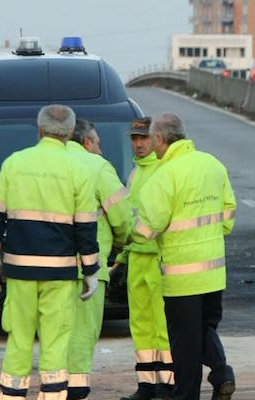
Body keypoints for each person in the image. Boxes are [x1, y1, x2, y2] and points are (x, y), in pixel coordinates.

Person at [0, 105, 100, 400]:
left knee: (19, 339)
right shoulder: (79, 170)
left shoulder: (14, 163)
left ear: (39, 130)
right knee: (56, 342)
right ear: (71, 133)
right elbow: (85, 228)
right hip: (60, 274)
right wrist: (91, 271)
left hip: (19, 270)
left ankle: (10, 397)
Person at [131, 114, 237, 400]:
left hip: (181, 278)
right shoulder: (213, 164)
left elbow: (146, 229)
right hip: (214, 272)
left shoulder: (164, 176)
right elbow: (228, 214)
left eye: (151, 138)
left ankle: (187, 395)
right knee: (205, 329)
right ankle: (221, 374)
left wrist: (128, 237)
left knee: (184, 343)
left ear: (160, 140)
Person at [65, 119, 133, 400]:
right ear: (86, 143)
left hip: (43, 269)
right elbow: (123, 220)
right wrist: (119, 243)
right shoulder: (98, 168)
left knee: (54, 331)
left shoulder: (42, 165)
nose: (101, 150)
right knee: (82, 331)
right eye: (98, 143)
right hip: (87, 269)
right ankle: (76, 386)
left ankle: (52, 384)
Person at [117, 117, 176, 400]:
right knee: (139, 325)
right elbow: (130, 220)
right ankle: (146, 385)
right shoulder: (134, 174)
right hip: (136, 259)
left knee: (162, 325)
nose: (139, 144)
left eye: (144, 138)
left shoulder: (163, 170)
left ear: (156, 139)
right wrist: (123, 255)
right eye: (134, 138)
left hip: (157, 259)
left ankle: (167, 385)